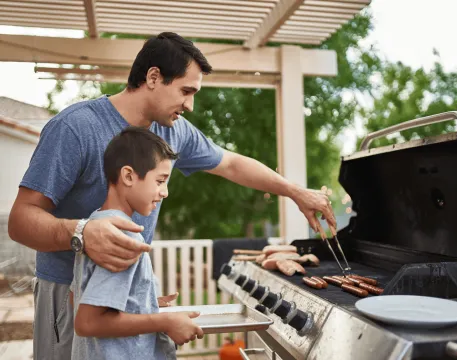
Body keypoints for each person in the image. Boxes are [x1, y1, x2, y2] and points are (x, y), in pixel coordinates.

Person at [8, 32, 336, 360]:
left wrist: (295, 192)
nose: (190, 105)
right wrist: (82, 234)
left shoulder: (172, 131)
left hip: (124, 300)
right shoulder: (76, 128)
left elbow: (233, 165)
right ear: (153, 77)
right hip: (68, 293)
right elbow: (21, 221)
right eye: (185, 91)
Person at [70, 126, 202, 360]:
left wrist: (144, 303)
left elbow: (80, 297)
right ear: (128, 176)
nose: (165, 192)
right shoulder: (123, 236)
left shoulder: (97, 225)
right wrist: (165, 320)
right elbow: (88, 322)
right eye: (160, 181)